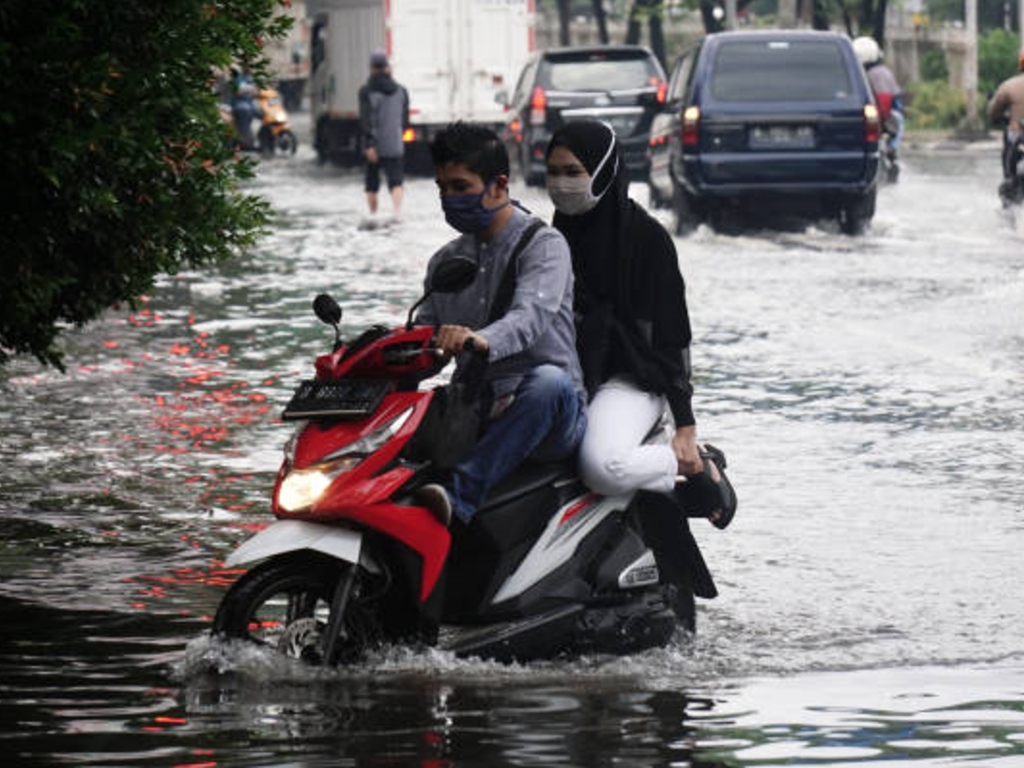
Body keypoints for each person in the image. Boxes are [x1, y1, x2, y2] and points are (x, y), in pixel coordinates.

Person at [544, 119, 735, 529]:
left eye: (574, 172)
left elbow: (672, 334)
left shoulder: (646, 239)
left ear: (604, 171)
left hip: (634, 377)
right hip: (569, 375)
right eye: (554, 173)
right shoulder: (553, 238)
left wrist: (684, 424)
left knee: (601, 466)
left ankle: (698, 466)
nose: (562, 184)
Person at [413, 122, 587, 526]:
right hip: (476, 409)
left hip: (551, 414)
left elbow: (531, 318)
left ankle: (459, 497)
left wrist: (478, 339)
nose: (449, 199)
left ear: (498, 185)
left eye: (460, 187)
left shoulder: (545, 246)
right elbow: (424, 338)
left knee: (548, 383)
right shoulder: (445, 261)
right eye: (442, 189)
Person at [358, 49, 410, 218]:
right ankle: (397, 214)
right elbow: (404, 120)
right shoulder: (401, 90)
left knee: (372, 184)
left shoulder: (366, 91)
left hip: (374, 144)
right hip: (394, 143)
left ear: (371, 67)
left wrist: (369, 144)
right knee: (396, 181)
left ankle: (373, 215)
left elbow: (365, 119)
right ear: (387, 67)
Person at [853, 37, 904, 166]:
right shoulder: (878, 72)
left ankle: (891, 149)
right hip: (877, 114)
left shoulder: (875, 74)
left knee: (896, 122)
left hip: (883, 114)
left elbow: (886, 101)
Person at [987, 48, 1024, 181]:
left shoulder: (1008, 86)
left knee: (1009, 167)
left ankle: (1009, 179)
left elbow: (993, 111)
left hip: (1016, 135)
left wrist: (996, 118)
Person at [230, 67, 261, 151]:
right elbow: (236, 91)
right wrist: (247, 90)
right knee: (244, 113)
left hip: (252, 106)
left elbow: (257, 91)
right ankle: (247, 143)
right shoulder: (238, 79)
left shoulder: (251, 79)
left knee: (265, 115)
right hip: (241, 107)